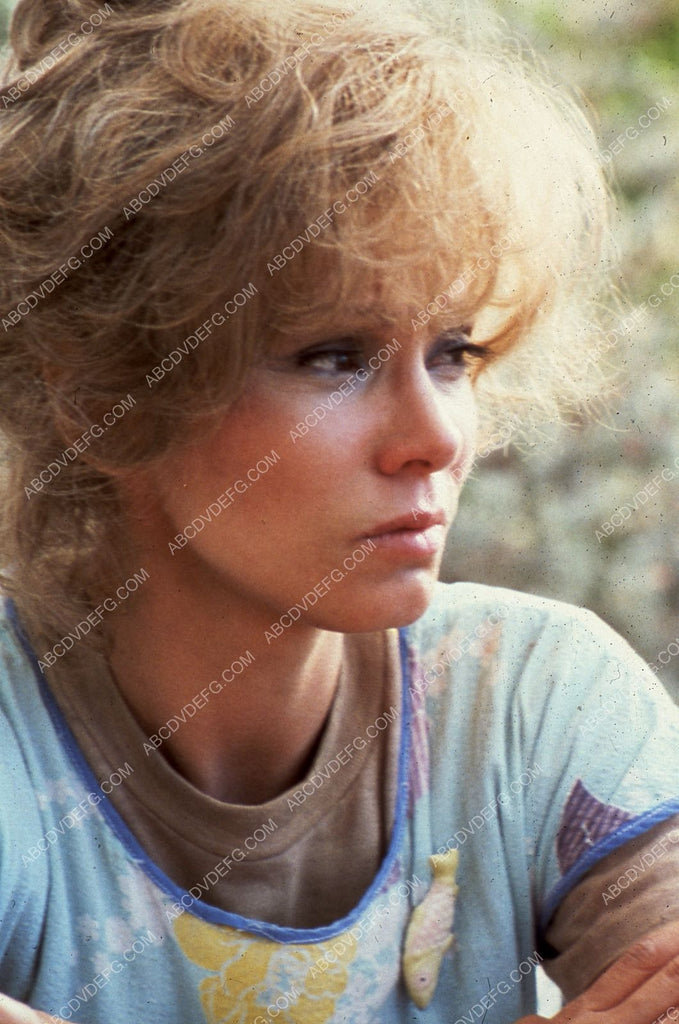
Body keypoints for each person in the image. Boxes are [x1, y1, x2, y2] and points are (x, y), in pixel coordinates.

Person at [0, 0, 677, 1021]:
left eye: (453, 351)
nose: (436, 437)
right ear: (101, 399)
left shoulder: (533, 698)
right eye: (333, 357)